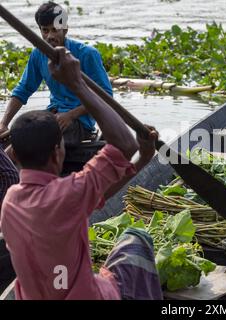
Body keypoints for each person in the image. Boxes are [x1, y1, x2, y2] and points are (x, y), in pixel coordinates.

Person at [0, 47, 162, 300]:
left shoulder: (11, 201)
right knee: (136, 238)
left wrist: (144, 159)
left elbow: (100, 194)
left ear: (15, 157)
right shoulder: (69, 194)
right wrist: (77, 84)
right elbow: (124, 145)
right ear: (58, 154)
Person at [0, 1, 113, 148]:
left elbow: (106, 96)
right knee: (16, 132)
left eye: (55, 30)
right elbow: (23, 90)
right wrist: (4, 123)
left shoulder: (87, 54)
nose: (50, 36)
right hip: (53, 115)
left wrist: (71, 115)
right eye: (45, 30)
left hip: (79, 124)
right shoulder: (38, 54)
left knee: (34, 144)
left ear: (65, 29)